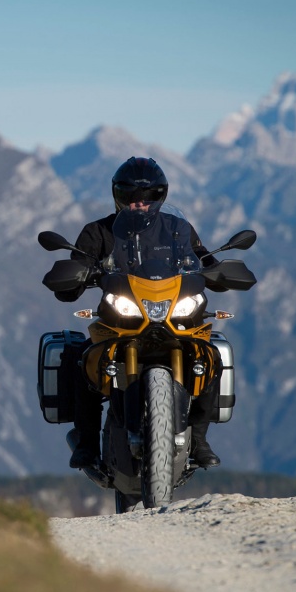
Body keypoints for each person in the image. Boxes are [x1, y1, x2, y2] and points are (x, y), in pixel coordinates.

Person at [54, 156, 222, 471]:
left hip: (173, 315)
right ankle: (87, 443)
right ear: (117, 195)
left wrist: (218, 270)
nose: (139, 203)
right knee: (81, 359)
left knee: (211, 354)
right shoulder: (98, 232)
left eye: (148, 196)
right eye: (130, 196)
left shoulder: (178, 228)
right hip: (121, 319)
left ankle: (199, 438)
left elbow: (202, 259)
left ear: (161, 196)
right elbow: (78, 265)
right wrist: (75, 274)